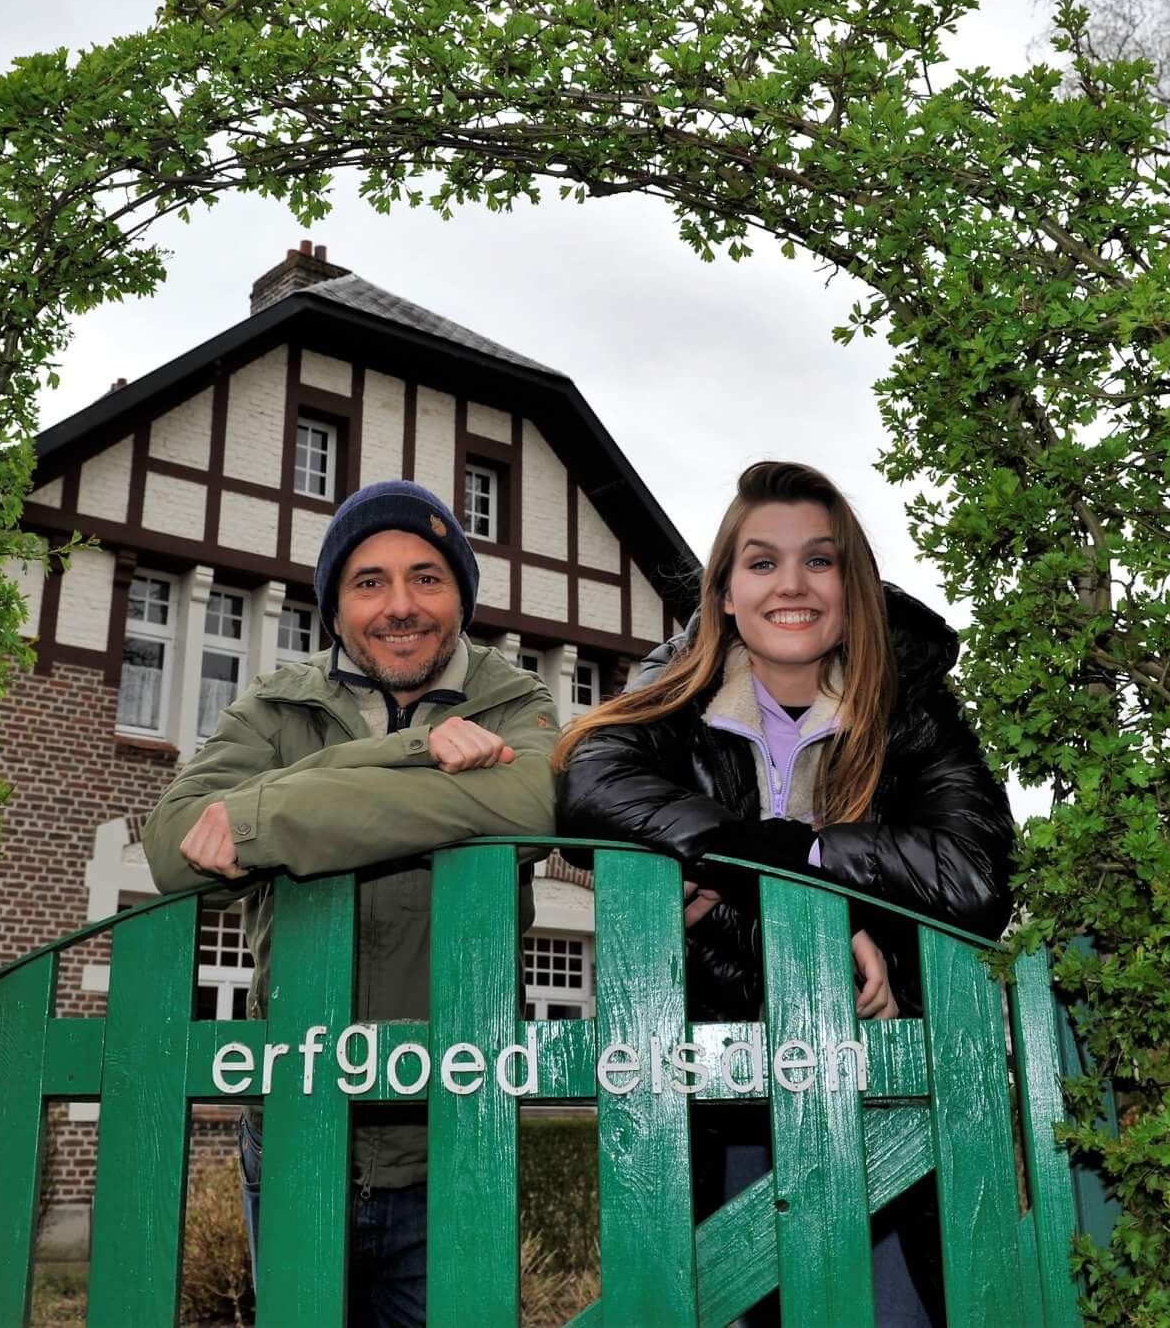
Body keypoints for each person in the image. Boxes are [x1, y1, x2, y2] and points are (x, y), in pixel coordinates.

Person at [553, 460, 1015, 1326]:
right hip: (716, 1093)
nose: (791, 585)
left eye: (820, 560)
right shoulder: (675, 689)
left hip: (882, 1093)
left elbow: (975, 872)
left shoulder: (908, 701)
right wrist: (797, 918)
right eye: (762, 562)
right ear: (725, 591)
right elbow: (590, 787)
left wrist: (789, 856)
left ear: (853, 584)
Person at [143, 480, 560, 1328]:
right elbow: (172, 846)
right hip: (296, 1131)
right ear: (333, 606)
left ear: (461, 597)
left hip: (453, 1136)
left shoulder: (513, 702)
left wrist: (268, 813)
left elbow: (532, 805)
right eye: (369, 581)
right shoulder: (275, 704)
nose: (399, 605)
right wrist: (416, 753)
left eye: (427, 577)